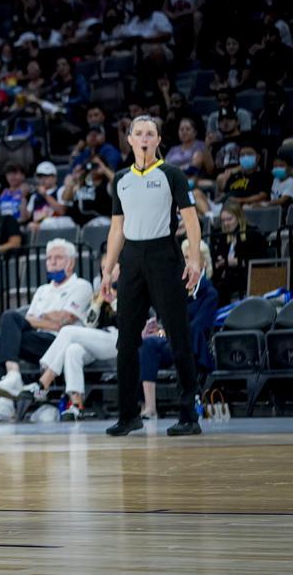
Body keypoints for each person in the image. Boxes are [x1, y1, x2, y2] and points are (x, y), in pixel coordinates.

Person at [101, 116, 204, 437]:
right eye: (138, 133)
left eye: (150, 133)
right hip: (132, 260)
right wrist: (107, 270)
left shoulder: (171, 174)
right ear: (129, 140)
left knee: (177, 336)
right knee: (126, 341)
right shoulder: (120, 178)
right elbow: (117, 228)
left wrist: (195, 259)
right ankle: (128, 415)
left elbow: (191, 219)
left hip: (164, 255)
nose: (144, 138)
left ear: (158, 139)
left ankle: (190, 415)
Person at [0, 239, 93, 421]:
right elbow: (27, 321)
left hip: (59, 343)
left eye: (58, 258)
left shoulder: (82, 286)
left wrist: (42, 317)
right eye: (49, 258)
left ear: (71, 262)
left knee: (3, 333)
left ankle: (8, 396)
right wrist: (49, 317)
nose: (52, 262)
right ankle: (7, 393)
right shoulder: (42, 290)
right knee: (3, 330)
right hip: (37, 342)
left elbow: (64, 321)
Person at [20, 257, 120, 421]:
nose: (106, 271)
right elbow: (89, 325)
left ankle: (42, 383)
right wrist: (97, 304)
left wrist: (114, 301)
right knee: (72, 350)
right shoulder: (102, 292)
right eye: (103, 268)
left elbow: (129, 320)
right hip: (100, 339)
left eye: (110, 267)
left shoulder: (130, 287)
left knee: (67, 331)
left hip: (120, 338)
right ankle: (76, 405)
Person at [140, 239, 218, 418]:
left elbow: (199, 325)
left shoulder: (209, 293)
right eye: (184, 258)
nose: (186, 262)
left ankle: (188, 402)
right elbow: (166, 319)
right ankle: (149, 406)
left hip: (192, 342)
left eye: (191, 258)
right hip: (172, 340)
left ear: (203, 263)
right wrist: (157, 327)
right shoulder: (177, 290)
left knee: (166, 344)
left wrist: (170, 331)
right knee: (147, 344)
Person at [211, 199, 268, 303]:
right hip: (226, 277)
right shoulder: (223, 236)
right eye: (223, 220)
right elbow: (218, 256)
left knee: (221, 286)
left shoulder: (252, 234)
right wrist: (218, 261)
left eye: (229, 219)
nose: (226, 223)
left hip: (245, 276)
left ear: (239, 217)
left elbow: (260, 260)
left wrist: (236, 261)